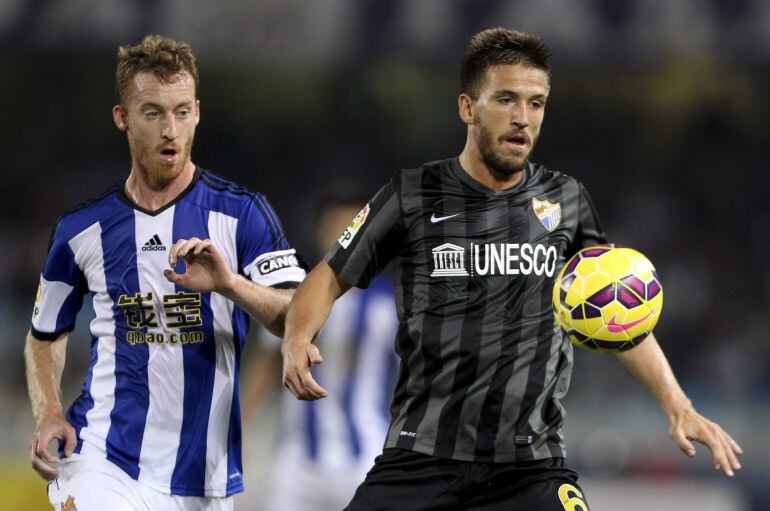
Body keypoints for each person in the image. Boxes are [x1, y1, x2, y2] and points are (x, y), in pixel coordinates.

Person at [281, 28, 743, 510]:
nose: (523, 118)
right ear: (467, 107)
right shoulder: (412, 193)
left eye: (536, 103)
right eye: (506, 99)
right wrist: (296, 338)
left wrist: (678, 405)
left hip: (530, 467)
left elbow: (618, 310)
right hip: (421, 459)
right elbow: (329, 275)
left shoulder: (567, 200)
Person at [25, 34, 305, 511]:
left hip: (204, 478)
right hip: (104, 458)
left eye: (180, 112)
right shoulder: (81, 231)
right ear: (123, 118)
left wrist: (230, 284)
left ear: (197, 112)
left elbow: (298, 316)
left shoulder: (243, 214)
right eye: (152, 112)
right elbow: (44, 333)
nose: (169, 129)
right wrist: (49, 409)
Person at [240, 190, 399, 511]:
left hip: (365, 458)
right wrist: (237, 431)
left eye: (352, 230)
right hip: (297, 461)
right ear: (320, 231)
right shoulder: (292, 297)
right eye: (336, 228)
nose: (345, 240)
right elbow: (264, 369)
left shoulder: (391, 306)